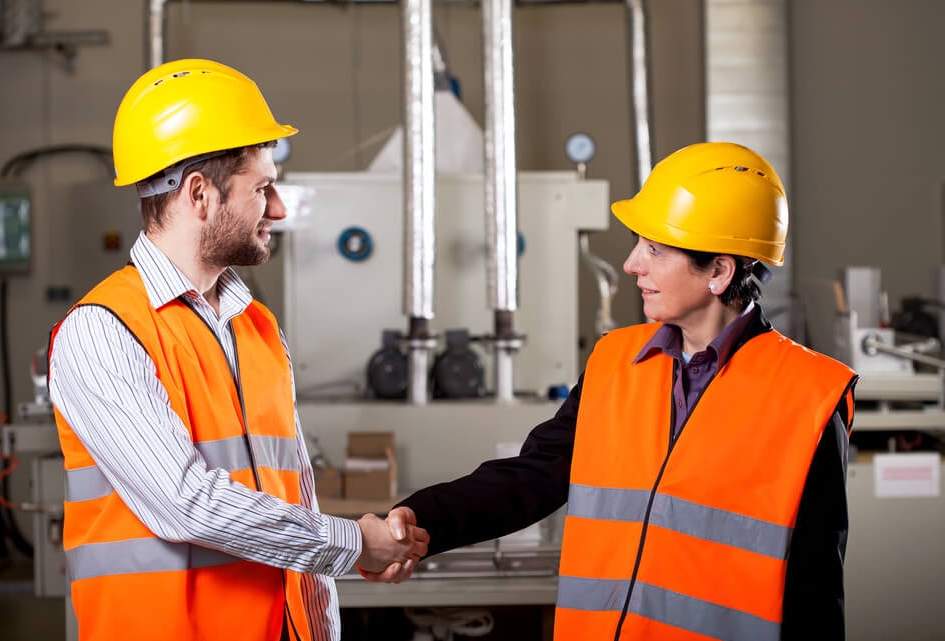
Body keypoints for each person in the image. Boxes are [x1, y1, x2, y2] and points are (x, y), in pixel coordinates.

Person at [375, 142, 858, 641]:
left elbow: (815, 594)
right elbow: (532, 478)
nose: (631, 264)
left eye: (655, 249)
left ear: (719, 270)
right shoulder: (615, 361)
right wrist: (420, 522)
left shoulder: (807, 396)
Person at [48, 58, 428, 641]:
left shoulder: (255, 326)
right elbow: (185, 503)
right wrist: (355, 545)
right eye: (263, 189)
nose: (277, 210)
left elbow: (295, 494)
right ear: (200, 195)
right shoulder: (103, 331)